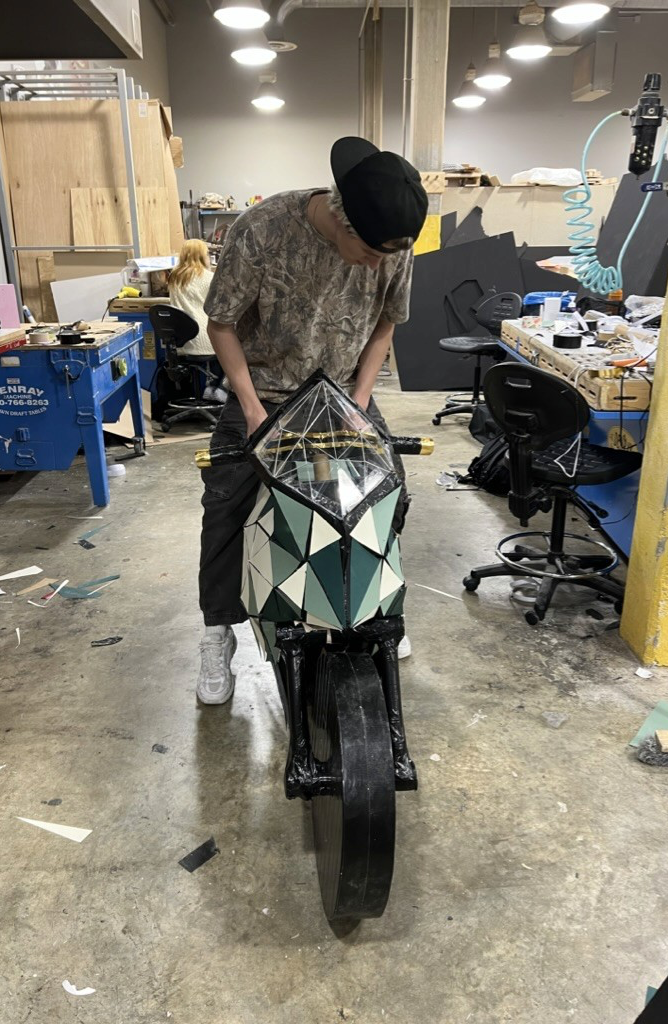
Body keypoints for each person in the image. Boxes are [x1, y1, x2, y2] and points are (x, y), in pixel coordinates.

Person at [196, 137, 428, 704]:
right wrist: (251, 410)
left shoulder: (392, 243)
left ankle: (376, 604)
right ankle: (216, 632)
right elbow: (221, 323)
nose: (379, 265)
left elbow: (384, 327)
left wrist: (360, 403)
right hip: (265, 391)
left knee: (384, 494)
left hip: (345, 392)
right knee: (228, 502)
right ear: (342, 220)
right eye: (372, 253)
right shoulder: (262, 228)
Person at [167, 239, 226, 403]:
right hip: (206, 336)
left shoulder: (173, 277)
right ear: (202, 256)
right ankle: (219, 388)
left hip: (182, 340)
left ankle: (210, 387)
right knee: (236, 345)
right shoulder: (209, 278)